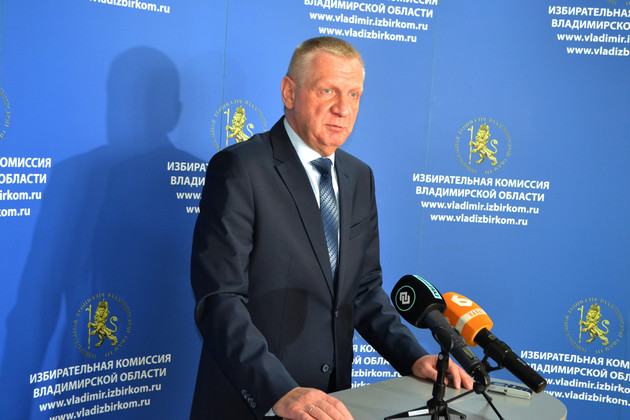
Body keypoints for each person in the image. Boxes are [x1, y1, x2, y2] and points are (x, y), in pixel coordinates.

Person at [190, 36, 473, 420]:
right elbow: (220, 301)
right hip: (256, 403)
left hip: (334, 404)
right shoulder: (241, 169)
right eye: (328, 91)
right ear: (289, 92)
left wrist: (413, 357)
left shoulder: (359, 176)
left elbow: (364, 292)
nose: (343, 108)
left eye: (354, 95)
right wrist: (280, 391)